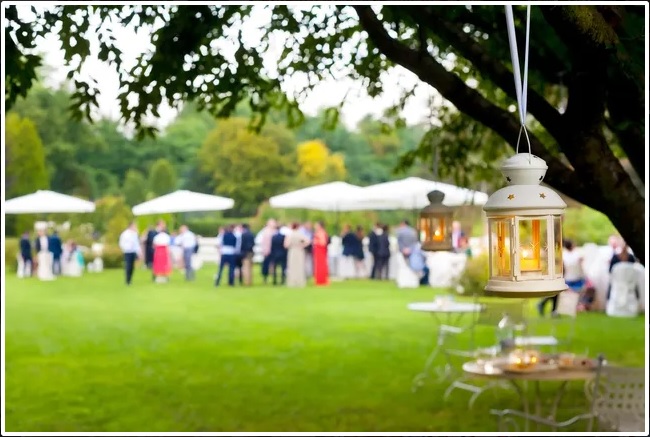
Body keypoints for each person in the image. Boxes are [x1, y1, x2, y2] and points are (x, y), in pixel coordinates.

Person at [285, 222, 310, 288]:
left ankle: (292, 281)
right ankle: (300, 281)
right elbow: (308, 241)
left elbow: (286, 245)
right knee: (300, 266)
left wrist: (292, 245)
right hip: (299, 251)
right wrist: (302, 245)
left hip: (292, 251)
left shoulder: (290, 234)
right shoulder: (300, 234)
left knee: (292, 266)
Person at [259, 219, 277, 284]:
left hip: (274, 251)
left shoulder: (275, 231)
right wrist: (265, 250)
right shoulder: (265, 231)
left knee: (274, 265)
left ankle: (274, 279)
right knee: (266, 265)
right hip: (267, 251)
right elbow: (264, 242)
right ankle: (265, 278)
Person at [312, 221, 330, 286]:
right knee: (318, 265)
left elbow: (323, 243)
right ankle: (319, 280)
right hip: (318, 250)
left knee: (321, 265)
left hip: (320, 251)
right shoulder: (318, 232)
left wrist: (316, 242)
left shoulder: (321, 232)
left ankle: (322, 280)